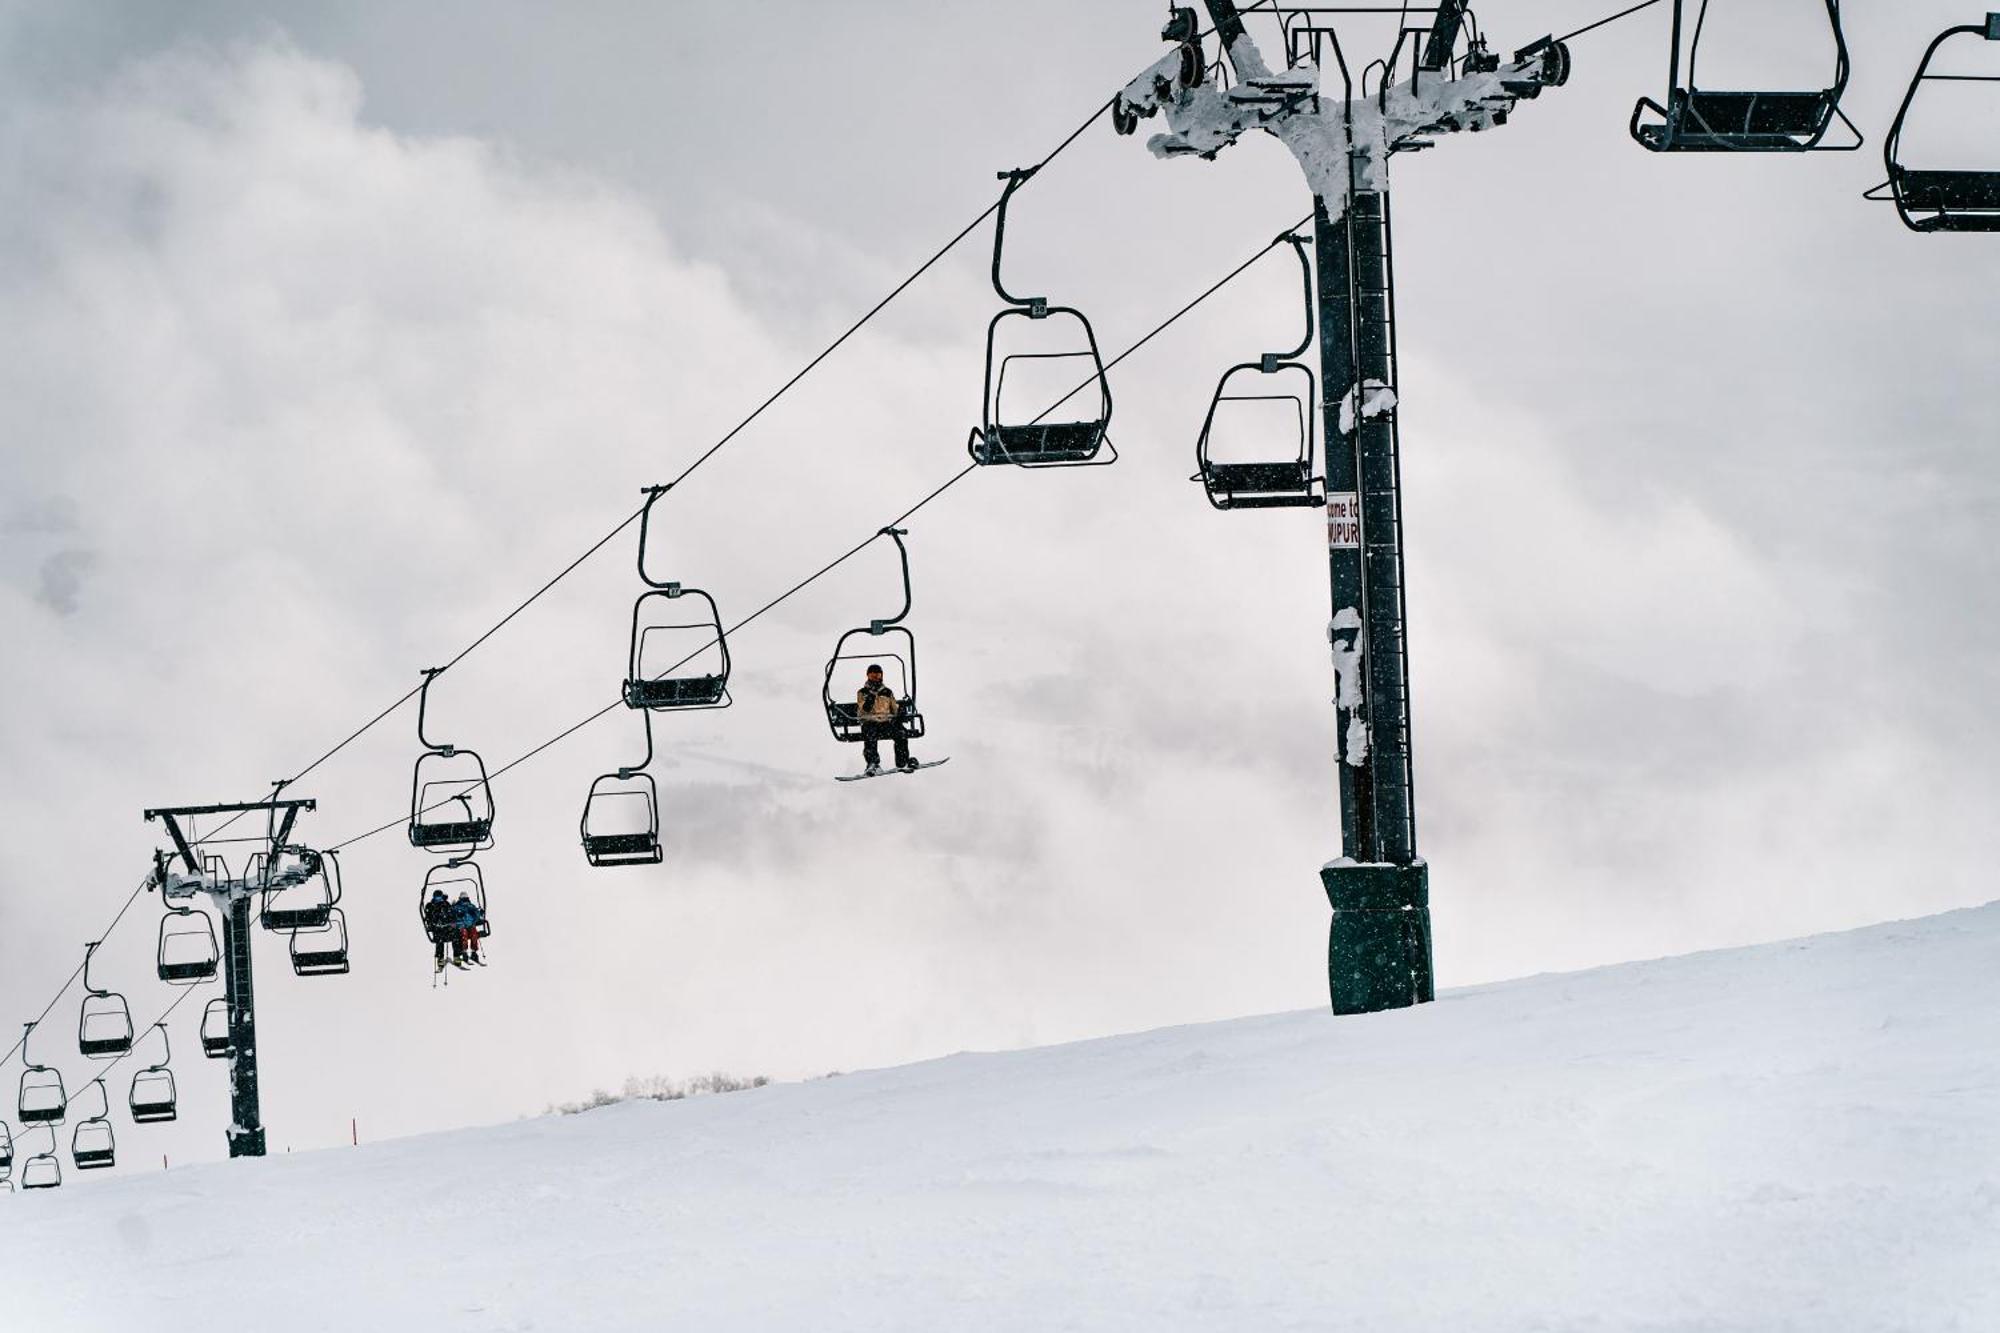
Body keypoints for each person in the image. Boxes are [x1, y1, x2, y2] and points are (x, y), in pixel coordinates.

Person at [856, 663, 916, 775]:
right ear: (868, 676)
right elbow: (864, 709)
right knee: (870, 735)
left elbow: (895, 708)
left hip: (884, 723)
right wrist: (870, 698)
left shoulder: (887, 692)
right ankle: (873, 763)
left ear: (881, 676)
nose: (875, 679)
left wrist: (900, 711)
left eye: (877, 676)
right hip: (869, 722)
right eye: (872, 676)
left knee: (900, 733)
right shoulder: (862, 692)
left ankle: (902, 762)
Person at [422, 888, 456, 972]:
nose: (438, 899)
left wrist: (452, 922)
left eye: (439, 897)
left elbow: (450, 914)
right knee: (439, 941)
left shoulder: (445, 904)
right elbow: (428, 917)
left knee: (456, 936)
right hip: (437, 928)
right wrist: (431, 924)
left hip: (447, 927)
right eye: (437, 898)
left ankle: (457, 958)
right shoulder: (430, 905)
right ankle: (440, 962)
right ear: (434, 897)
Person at [451, 890, 488, 967]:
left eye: (465, 898)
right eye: (463, 898)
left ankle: (474, 953)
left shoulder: (470, 906)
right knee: (464, 934)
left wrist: (479, 914)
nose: (464, 900)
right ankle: (464, 952)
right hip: (462, 925)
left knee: (474, 934)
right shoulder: (458, 907)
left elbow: (477, 915)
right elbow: (453, 915)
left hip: (470, 925)